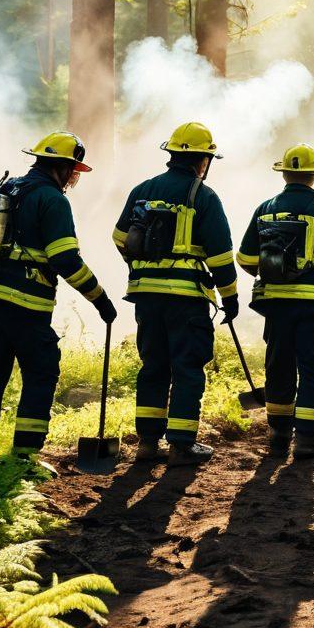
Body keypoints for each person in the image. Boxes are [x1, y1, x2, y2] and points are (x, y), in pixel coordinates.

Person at [0, 131, 116, 457]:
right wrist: (100, 299)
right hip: (27, 306)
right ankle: (24, 457)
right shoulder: (53, 200)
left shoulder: (6, 190)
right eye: (73, 170)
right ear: (62, 167)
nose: (74, 177)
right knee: (41, 372)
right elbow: (65, 259)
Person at [113, 122, 238, 467]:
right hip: (187, 300)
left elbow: (119, 237)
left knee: (153, 365)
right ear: (203, 160)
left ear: (172, 155)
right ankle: (182, 445)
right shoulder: (204, 196)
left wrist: (143, 267)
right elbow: (221, 257)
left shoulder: (143, 189)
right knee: (186, 368)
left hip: (146, 297)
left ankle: (147, 444)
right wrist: (231, 297)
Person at [237, 144, 314, 459]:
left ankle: (278, 436)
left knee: (278, 366)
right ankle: (308, 438)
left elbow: (245, 257)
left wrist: (270, 271)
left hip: (275, 306)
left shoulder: (265, 208)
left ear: (285, 175)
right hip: (313, 306)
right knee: (312, 367)